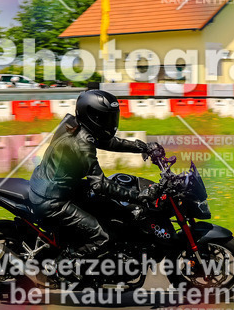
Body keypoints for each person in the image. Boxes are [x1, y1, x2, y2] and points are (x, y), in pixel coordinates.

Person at [27, 89, 157, 259]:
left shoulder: (74, 124)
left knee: (109, 208)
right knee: (103, 237)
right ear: (93, 117)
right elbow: (100, 184)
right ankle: (64, 264)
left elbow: (107, 142)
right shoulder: (82, 143)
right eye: (105, 118)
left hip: (56, 186)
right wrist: (140, 196)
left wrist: (141, 147)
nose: (111, 123)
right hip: (52, 200)